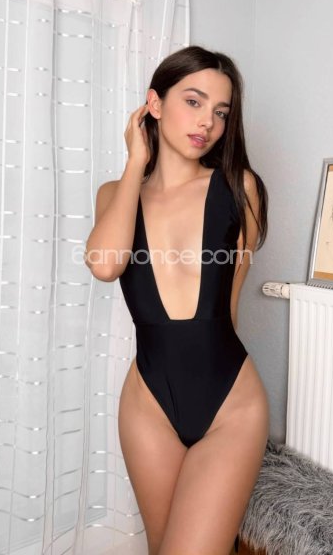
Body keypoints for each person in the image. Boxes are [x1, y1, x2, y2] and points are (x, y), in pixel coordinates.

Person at [85, 45, 269, 555]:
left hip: (230, 402)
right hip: (148, 404)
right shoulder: (115, 194)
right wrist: (135, 162)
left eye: (221, 112)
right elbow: (105, 265)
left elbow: (230, 305)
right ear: (155, 104)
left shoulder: (240, 188)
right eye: (193, 101)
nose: (208, 121)